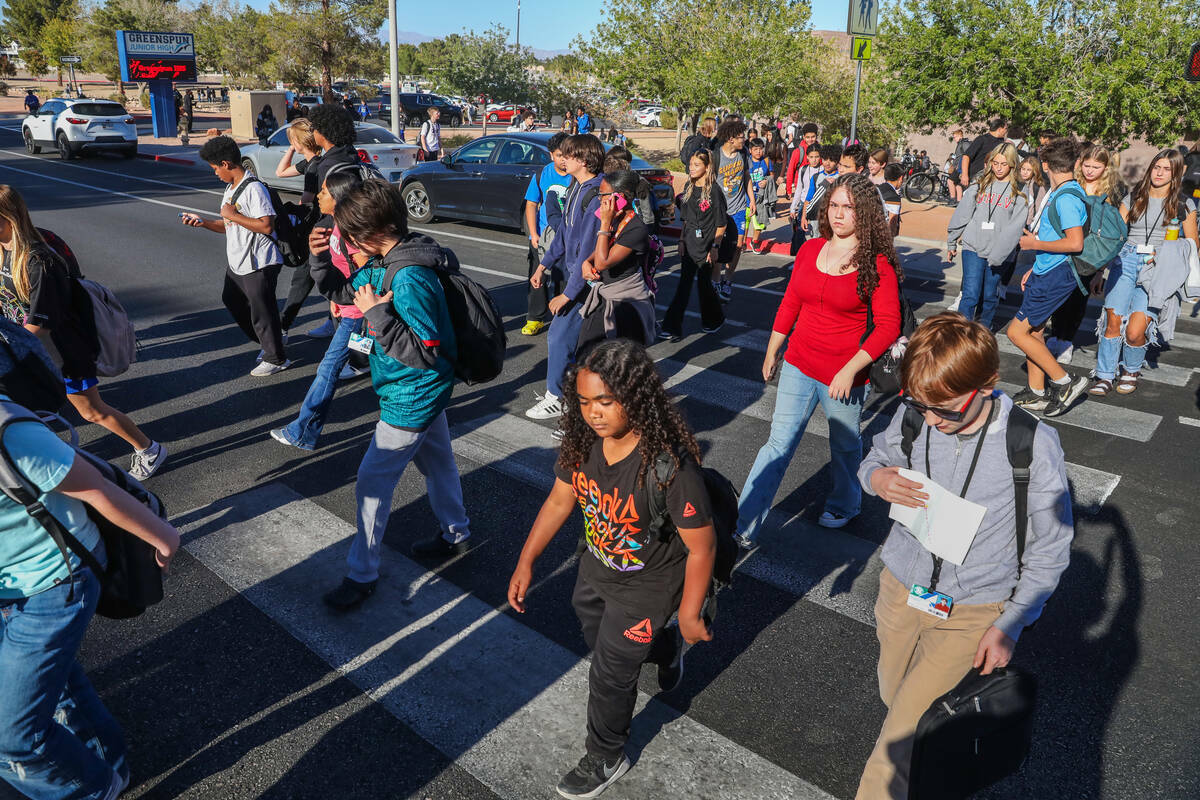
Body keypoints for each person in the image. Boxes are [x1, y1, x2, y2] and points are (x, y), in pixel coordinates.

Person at [854, 311, 1073, 800]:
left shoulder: (1030, 442)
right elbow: (877, 457)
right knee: (898, 700)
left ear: (987, 385)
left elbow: (1051, 545)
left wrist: (1012, 622)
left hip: (972, 609)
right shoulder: (916, 412)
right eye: (921, 405)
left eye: (946, 409)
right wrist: (877, 479)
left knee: (899, 742)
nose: (932, 420)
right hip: (901, 591)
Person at [507, 338, 715, 800]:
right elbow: (561, 499)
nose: (593, 413)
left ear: (635, 398)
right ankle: (666, 649)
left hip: (649, 587)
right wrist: (527, 561)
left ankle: (606, 755)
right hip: (596, 571)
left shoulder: (669, 468)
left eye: (605, 401)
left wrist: (689, 612)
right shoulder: (583, 445)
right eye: (583, 402)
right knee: (597, 641)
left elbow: (702, 548)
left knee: (609, 672)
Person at [0, 320, 182, 800]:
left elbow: (97, 488)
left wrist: (162, 537)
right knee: (53, 688)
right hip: (9, 586)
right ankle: (109, 765)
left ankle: (94, 789)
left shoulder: (7, 432)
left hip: (53, 583)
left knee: (11, 738)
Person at [307, 179, 471, 609]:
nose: (347, 245)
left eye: (347, 237)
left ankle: (361, 574)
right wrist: (320, 258)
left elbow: (425, 352)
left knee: (372, 482)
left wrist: (376, 314)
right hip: (417, 390)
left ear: (369, 234)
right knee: (439, 464)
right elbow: (346, 292)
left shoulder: (410, 274)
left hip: (412, 393)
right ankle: (456, 532)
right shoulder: (393, 255)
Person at [735, 174, 902, 545]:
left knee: (844, 446)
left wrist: (850, 369)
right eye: (835, 206)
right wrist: (772, 349)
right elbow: (791, 301)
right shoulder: (811, 250)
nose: (839, 214)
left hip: (844, 375)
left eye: (849, 208)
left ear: (866, 213)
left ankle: (846, 503)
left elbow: (888, 326)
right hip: (799, 363)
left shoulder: (877, 264)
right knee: (778, 443)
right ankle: (743, 523)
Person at [0, 187, 167, 480]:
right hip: (29, 353)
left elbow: (41, 323)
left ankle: (149, 449)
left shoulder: (38, 261)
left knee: (92, 411)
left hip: (62, 352)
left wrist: (13, 352)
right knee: (32, 414)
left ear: (7, 219)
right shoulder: (3, 252)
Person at [269, 169, 370, 451]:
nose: (319, 196)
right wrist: (334, 301)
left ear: (338, 198)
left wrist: (355, 307)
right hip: (349, 311)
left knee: (328, 370)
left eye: (324, 192)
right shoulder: (334, 226)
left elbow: (367, 273)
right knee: (385, 367)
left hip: (359, 317)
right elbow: (340, 273)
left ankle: (303, 432)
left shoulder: (351, 234)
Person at [1088, 149, 1199, 397]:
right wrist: (1100, 270)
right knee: (1112, 321)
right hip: (1125, 261)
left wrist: (1168, 255)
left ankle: (1131, 369)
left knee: (1135, 331)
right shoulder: (1134, 195)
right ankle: (1105, 374)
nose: (1159, 173)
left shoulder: (1184, 204)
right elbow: (1114, 237)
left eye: (1166, 169)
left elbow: (1193, 245)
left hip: (1157, 268)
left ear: (1177, 173)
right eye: (1156, 167)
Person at [182, 136, 290, 376]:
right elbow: (227, 224)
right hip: (239, 260)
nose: (215, 174)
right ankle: (270, 341)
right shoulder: (231, 188)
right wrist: (204, 223)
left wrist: (232, 214)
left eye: (215, 168)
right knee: (232, 300)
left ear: (226, 163)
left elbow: (266, 225)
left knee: (262, 309)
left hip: (258, 260)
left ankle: (276, 357)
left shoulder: (253, 188)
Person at [1006, 137, 1091, 416]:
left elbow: (1075, 243)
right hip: (1046, 268)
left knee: (1016, 332)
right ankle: (1037, 392)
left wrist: (1036, 246)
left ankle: (1065, 382)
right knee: (1035, 331)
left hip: (1057, 274)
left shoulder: (1066, 197)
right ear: (1077, 163)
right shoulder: (1063, 191)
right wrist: (1036, 264)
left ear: (1044, 165)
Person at [526, 134, 606, 420]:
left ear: (584, 161)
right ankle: (570, 397)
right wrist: (542, 265)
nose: (563, 159)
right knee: (574, 343)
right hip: (575, 277)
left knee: (560, 338)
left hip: (586, 283)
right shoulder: (576, 186)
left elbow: (586, 251)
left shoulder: (595, 194)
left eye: (569, 155)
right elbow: (562, 236)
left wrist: (567, 294)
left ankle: (558, 397)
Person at [1046, 144, 1122, 364]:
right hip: (1065, 251)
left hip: (1090, 258)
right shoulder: (1073, 186)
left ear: (1105, 169)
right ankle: (1055, 336)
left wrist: (1100, 270)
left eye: (1096, 167)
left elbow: (1109, 237)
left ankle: (1067, 340)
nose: (1090, 171)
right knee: (1058, 297)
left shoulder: (1110, 195)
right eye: (1087, 165)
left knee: (1078, 300)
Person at [945, 143, 1028, 329]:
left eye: (1003, 164)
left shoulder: (1020, 190)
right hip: (973, 246)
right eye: (995, 163)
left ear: (1013, 165)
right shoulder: (980, 183)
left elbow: (1015, 228)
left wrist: (999, 254)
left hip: (999, 252)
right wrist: (952, 240)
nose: (998, 168)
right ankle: (963, 332)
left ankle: (982, 330)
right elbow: (963, 213)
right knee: (970, 294)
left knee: (989, 295)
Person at [576, 170, 656, 354]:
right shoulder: (616, 220)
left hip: (626, 305)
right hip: (605, 295)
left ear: (619, 197)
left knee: (620, 366)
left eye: (602, 194)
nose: (598, 199)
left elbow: (603, 262)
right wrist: (586, 262)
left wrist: (604, 224)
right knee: (585, 354)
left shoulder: (636, 229)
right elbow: (601, 252)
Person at [661, 150, 727, 340]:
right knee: (684, 285)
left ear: (707, 167)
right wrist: (681, 240)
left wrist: (714, 248)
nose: (691, 168)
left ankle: (714, 319)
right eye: (690, 164)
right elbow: (687, 221)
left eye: (696, 165)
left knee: (704, 286)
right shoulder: (690, 187)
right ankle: (671, 326)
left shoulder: (714, 191)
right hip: (690, 244)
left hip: (707, 246)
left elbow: (721, 224)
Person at [522, 132, 572, 336]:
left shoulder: (576, 174)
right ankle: (535, 318)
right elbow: (531, 204)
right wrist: (533, 234)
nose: (564, 159)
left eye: (567, 155)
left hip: (567, 239)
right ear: (551, 155)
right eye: (560, 155)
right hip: (543, 238)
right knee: (537, 278)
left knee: (563, 279)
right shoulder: (543, 174)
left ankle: (562, 317)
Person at [710, 119, 754, 302]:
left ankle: (728, 281)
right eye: (740, 137)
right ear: (730, 139)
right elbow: (709, 183)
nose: (744, 140)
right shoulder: (715, 156)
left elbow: (746, 177)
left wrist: (752, 200)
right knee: (717, 247)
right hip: (720, 210)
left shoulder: (743, 154)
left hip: (738, 208)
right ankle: (715, 280)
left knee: (738, 246)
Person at [801, 143, 842, 238]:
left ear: (837, 161)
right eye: (824, 159)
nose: (827, 163)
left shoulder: (840, 178)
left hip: (833, 218)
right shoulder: (816, 177)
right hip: (816, 218)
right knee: (816, 241)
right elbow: (809, 198)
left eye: (831, 160)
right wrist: (804, 216)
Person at [746, 137, 775, 253]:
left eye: (760, 149)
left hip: (760, 197)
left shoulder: (766, 161)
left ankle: (755, 241)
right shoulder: (746, 161)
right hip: (746, 197)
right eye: (755, 149)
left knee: (759, 222)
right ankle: (742, 241)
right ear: (750, 150)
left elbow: (772, 175)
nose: (758, 151)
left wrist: (767, 180)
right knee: (746, 221)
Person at [961, 117, 1008, 186]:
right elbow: (966, 156)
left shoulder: (1001, 142)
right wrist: (964, 175)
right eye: (1005, 129)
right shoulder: (982, 139)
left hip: (991, 179)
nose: (1006, 131)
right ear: (1000, 129)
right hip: (975, 179)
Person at [785, 123, 820, 198]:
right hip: (802, 189)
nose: (810, 140)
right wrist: (789, 189)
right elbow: (790, 170)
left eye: (813, 137)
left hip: (817, 187)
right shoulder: (798, 152)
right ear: (803, 137)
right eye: (807, 137)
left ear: (816, 136)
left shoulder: (821, 150)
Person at [880, 163, 904, 237]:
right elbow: (892, 222)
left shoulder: (878, 188)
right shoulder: (893, 197)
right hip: (881, 234)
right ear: (900, 178)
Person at [948, 128, 971, 203]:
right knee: (958, 185)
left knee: (950, 181)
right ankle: (958, 202)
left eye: (955, 137)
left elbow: (968, 155)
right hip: (959, 167)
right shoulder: (961, 143)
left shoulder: (964, 143)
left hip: (960, 168)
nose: (954, 139)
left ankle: (952, 200)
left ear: (960, 136)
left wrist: (960, 167)